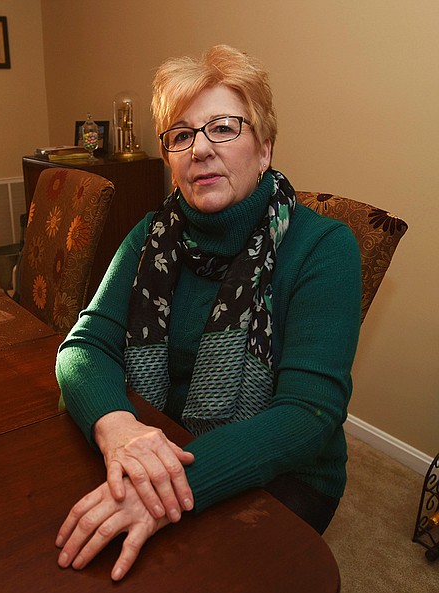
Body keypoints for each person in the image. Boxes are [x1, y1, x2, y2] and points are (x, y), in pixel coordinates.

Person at [54, 45, 362, 581]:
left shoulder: (324, 247)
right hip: (159, 438)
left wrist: (168, 490)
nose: (200, 149)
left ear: (264, 149)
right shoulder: (147, 237)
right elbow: (84, 349)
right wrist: (118, 426)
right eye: (182, 134)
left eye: (223, 127)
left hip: (286, 471)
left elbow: (307, 416)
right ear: (170, 158)